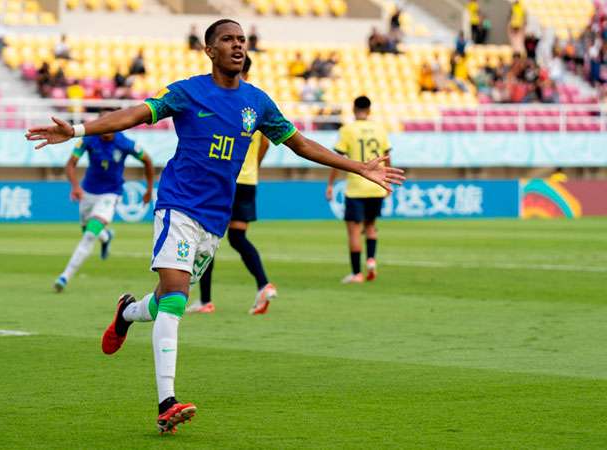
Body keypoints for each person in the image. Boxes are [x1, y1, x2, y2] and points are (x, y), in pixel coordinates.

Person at [26, 19, 404, 434]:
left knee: (163, 301)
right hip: (178, 205)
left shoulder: (257, 103)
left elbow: (301, 144)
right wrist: (78, 129)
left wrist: (357, 167)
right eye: (227, 39)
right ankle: (166, 402)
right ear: (209, 50)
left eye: (242, 40)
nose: (237, 45)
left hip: (214, 218)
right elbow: (135, 114)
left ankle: (126, 314)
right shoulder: (187, 92)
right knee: (175, 299)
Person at [188, 56, 277, 315]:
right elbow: (266, 143)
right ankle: (263, 284)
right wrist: (254, 167)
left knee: (207, 237)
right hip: (248, 181)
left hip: (224, 181)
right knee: (238, 238)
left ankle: (205, 300)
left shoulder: (227, 100)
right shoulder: (258, 103)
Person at [54, 112, 155, 292]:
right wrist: (75, 187)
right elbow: (71, 164)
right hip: (87, 192)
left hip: (110, 194)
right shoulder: (88, 139)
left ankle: (64, 276)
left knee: (89, 235)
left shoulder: (125, 143)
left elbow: (147, 161)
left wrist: (148, 189)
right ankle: (106, 236)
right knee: (88, 228)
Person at [326, 96, 392, 284]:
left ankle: (357, 273)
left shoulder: (347, 130)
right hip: (376, 186)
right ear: (369, 110)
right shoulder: (380, 129)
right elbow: (387, 157)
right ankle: (371, 260)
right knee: (370, 226)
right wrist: (386, 180)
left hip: (356, 187)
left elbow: (336, 159)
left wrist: (331, 184)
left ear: (354, 109)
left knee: (354, 231)